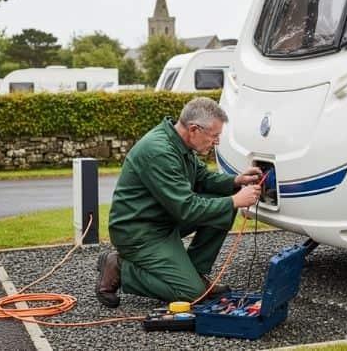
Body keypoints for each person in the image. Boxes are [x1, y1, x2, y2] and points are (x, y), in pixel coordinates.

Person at [96, 97, 262, 308]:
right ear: (194, 129)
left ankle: (195, 272)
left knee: (223, 208)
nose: (216, 142)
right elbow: (187, 209)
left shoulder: (179, 143)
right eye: (215, 136)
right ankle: (120, 267)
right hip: (139, 233)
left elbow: (203, 179)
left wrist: (235, 181)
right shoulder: (159, 152)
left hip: (164, 221)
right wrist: (234, 201)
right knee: (192, 294)